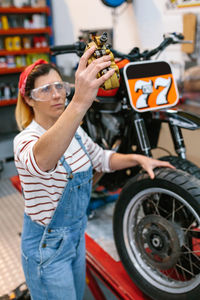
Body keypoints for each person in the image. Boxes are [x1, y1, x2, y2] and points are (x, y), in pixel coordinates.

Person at [13, 47, 174, 300]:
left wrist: (139, 159)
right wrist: (79, 102)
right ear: (29, 99)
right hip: (47, 248)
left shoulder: (75, 132)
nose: (57, 95)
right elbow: (41, 160)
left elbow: (101, 158)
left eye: (59, 86)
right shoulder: (25, 140)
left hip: (76, 238)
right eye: (45, 90)